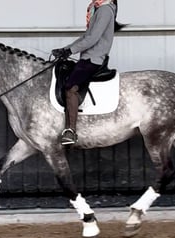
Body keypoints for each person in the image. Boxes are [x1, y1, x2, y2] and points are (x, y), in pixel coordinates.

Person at [52, 0, 124, 145]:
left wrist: (70, 50)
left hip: (93, 59)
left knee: (70, 88)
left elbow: (92, 38)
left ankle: (71, 131)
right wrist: (65, 49)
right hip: (87, 57)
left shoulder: (104, 10)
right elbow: (85, 37)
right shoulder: (98, 9)